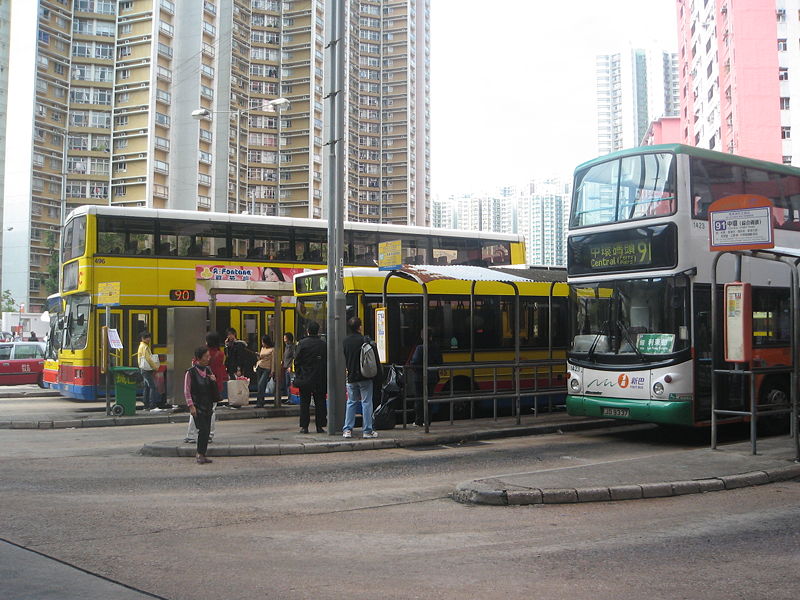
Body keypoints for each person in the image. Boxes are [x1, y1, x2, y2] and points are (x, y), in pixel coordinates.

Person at [342, 317, 382, 439]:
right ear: (359, 327)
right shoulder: (364, 340)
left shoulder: (345, 341)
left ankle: (347, 429)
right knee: (366, 402)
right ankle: (367, 430)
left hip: (351, 377)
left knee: (351, 402)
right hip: (364, 376)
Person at [185, 332, 226, 443]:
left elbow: (194, 365)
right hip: (214, 386)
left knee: (195, 411)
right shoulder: (220, 354)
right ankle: (209, 434)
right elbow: (220, 370)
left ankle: (191, 435)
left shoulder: (202, 353)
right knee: (211, 411)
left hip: (200, 387)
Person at [184, 346, 219, 464]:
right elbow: (187, 389)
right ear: (199, 358)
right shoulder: (191, 372)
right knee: (202, 429)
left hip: (208, 404)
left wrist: (213, 380)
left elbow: (212, 388)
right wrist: (191, 405)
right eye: (206, 356)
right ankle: (199, 453)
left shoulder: (208, 370)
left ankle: (203, 453)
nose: (208, 358)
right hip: (197, 405)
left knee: (207, 430)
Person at [293, 321, 327, 433]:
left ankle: (304, 426)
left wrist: (299, 373)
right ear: (318, 331)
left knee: (304, 403)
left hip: (305, 377)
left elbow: (296, 360)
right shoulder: (323, 344)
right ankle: (320, 426)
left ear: (308, 331)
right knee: (320, 402)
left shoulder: (302, 343)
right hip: (320, 378)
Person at [409, 329, 444, 427]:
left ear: (422, 337)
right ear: (431, 336)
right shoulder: (436, 348)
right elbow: (440, 362)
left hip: (420, 378)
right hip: (433, 377)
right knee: (429, 398)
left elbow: (414, 362)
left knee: (419, 399)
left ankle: (419, 421)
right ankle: (427, 420)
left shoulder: (420, 348)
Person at [137, 331, 161, 412]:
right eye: (147, 337)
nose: (149, 339)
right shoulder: (144, 347)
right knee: (152, 387)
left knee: (146, 387)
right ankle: (152, 406)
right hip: (146, 370)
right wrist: (155, 367)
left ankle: (146, 406)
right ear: (142, 338)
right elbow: (148, 359)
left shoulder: (142, 346)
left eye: (149, 337)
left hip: (143, 369)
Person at [255, 334, 275, 408]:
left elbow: (273, 361)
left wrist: (272, 371)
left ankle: (259, 402)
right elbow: (260, 358)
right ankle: (261, 401)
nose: (262, 343)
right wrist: (258, 355)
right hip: (259, 367)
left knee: (261, 384)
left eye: (263, 342)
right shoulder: (263, 348)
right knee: (260, 386)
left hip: (267, 369)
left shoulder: (272, 349)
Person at [282, 332, 297, 398]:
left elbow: (294, 357)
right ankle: (289, 397)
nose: (284, 339)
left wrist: (291, 366)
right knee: (287, 383)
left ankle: (291, 398)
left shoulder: (292, 347)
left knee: (290, 383)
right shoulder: (286, 347)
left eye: (285, 338)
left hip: (290, 368)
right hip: (286, 367)